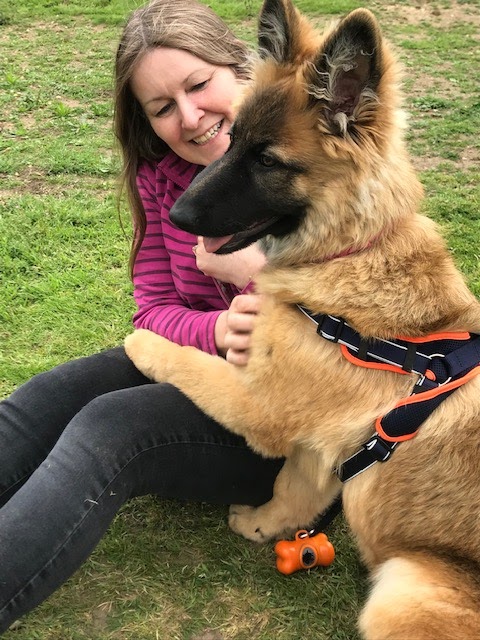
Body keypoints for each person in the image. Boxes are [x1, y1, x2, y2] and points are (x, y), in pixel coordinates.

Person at [0, 0, 284, 632]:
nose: (189, 117)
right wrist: (213, 328)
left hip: (281, 424)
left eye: (199, 84)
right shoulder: (165, 178)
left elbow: (372, 318)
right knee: (45, 398)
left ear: (240, 68)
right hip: (196, 363)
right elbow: (153, 310)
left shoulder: (304, 162)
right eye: (161, 107)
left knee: (111, 430)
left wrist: (253, 275)